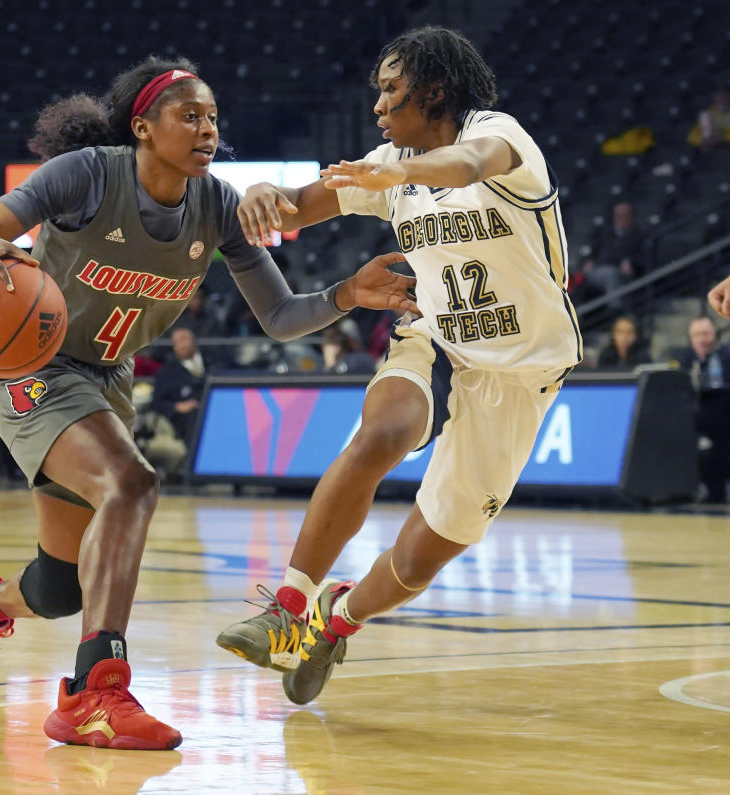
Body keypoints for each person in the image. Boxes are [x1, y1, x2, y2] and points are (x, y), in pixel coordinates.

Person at [0, 57, 415, 750]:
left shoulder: (217, 205)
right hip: (30, 366)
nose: (207, 129)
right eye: (189, 116)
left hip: (103, 379)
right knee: (132, 482)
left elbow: (279, 316)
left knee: (59, 587)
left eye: (213, 118)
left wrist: (347, 294)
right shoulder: (89, 175)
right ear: (143, 126)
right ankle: (95, 692)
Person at [217, 26, 582, 704]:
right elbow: (299, 208)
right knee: (381, 435)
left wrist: (400, 171)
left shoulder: (502, 137)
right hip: (436, 339)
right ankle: (289, 607)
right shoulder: (391, 164)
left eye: (391, 89)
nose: (379, 105)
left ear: (434, 88)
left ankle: (337, 618)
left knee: (418, 559)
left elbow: (471, 163)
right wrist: (265, 191)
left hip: (519, 372)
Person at [675, 316, 730, 502]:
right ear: (691, 339)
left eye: (706, 333)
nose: (702, 339)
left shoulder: (726, 356)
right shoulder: (685, 360)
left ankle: (717, 496)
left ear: (715, 335)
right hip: (692, 420)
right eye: (697, 335)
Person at [151, 326, 211, 448]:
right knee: (193, 417)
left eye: (183, 339)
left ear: (194, 340)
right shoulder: (166, 373)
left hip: (215, 410)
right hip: (186, 420)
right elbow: (157, 402)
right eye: (176, 342)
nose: (180, 345)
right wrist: (177, 406)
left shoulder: (214, 361)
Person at [580, 201, 647, 299]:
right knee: (579, 276)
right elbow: (594, 250)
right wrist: (590, 261)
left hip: (621, 271)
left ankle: (615, 309)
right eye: (618, 215)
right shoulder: (606, 233)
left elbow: (644, 257)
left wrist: (631, 261)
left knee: (610, 275)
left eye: (624, 215)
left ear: (631, 216)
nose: (621, 219)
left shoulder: (639, 235)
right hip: (599, 267)